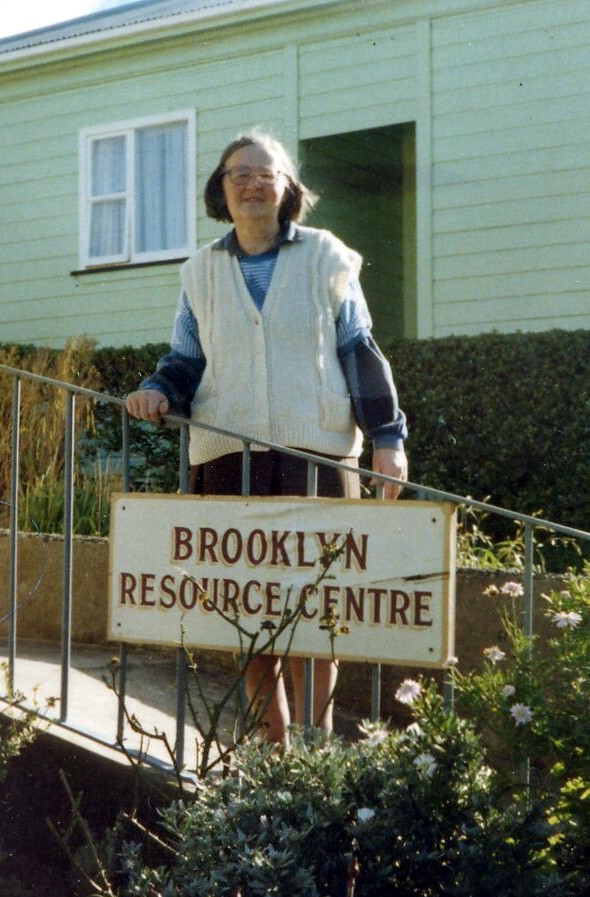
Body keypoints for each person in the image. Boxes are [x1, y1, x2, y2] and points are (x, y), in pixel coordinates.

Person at [125, 130, 409, 744]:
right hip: (229, 458)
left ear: (288, 189)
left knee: (319, 614)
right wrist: (157, 389)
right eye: (238, 174)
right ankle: (270, 752)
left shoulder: (326, 257)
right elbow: (185, 359)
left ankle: (315, 749)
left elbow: (359, 350)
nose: (253, 184)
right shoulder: (199, 271)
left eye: (266, 173)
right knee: (245, 617)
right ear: (220, 191)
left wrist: (387, 437)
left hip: (319, 455)